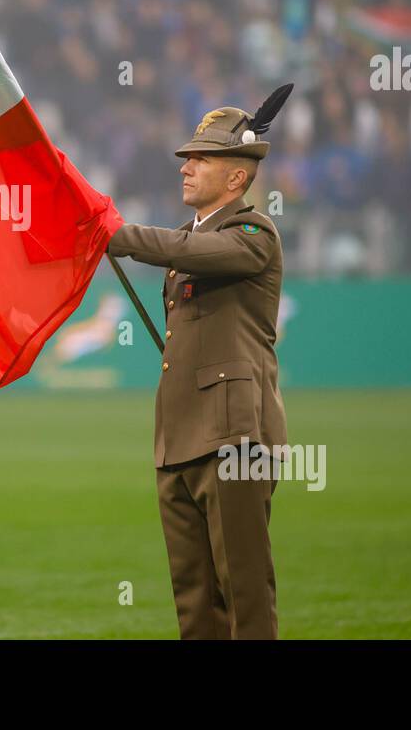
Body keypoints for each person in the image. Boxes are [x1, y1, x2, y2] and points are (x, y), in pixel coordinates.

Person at [108, 86, 291, 639]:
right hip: (180, 436)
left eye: (201, 159)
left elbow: (189, 254)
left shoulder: (254, 234)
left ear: (237, 177)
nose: (185, 167)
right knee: (195, 602)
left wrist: (113, 234)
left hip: (235, 436)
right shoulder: (190, 238)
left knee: (244, 592)